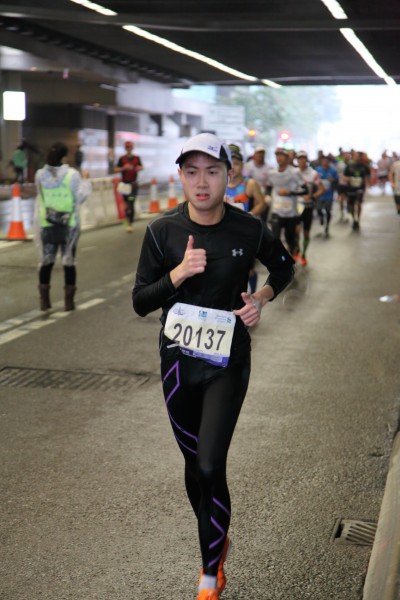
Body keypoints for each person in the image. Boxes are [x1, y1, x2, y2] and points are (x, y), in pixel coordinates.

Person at [132, 133, 295, 600]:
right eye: (192, 172)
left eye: (212, 172)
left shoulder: (248, 228)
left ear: (229, 175)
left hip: (228, 362)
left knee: (209, 464)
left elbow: (283, 267)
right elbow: (141, 301)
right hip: (177, 364)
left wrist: (260, 298)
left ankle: (209, 575)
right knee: (193, 466)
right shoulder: (161, 231)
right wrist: (178, 273)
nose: (201, 183)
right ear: (180, 177)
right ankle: (216, 540)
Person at [35, 141, 92, 312]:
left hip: (47, 224)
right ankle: (68, 303)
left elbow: (40, 197)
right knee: (68, 261)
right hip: (69, 225)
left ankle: (44, 301)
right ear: (64, 157)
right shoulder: (72, 175)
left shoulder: (40, 175)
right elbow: (79, 197)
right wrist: (86, 181)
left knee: (46, 261)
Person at [225, 143, 267, 292]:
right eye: (229, 164)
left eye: (236, 164)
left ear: (242, 165)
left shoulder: (249, 183)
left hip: (244, 234)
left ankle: (252, 296)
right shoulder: (219, 183)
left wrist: (249, 216)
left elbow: (262, 203)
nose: (232, 167)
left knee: (248, 270)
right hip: (223, 233)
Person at [268, 147, 308, 258]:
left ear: (287, 158)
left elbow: (305, 190)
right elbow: (269, 187)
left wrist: (290, 192)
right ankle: (280, 262)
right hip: (276, 211)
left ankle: (292, 255)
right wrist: (267, 196)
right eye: (277, 155)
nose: (279, 158)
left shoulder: (295, 172)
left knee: (290, 238)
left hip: (291, 213)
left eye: (282, 155)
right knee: (275, 238)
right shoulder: (272, 173)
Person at [296, 150, 324, 266]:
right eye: (299, 158)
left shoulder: (313, 174)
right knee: (296, 231)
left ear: (306, 160)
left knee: (306, 233)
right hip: (296, 207)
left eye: (303, 158)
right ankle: (296, 250)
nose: (301, 161)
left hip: (308, 207)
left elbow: (322, 189)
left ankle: (304, 254)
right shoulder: (293, 172)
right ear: (297, 160)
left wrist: (312, 196)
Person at [114, 141, 143, 232]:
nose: (129, 149)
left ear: (132, 148)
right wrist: (124, 168)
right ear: (125, 149)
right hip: (125, 185)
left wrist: (139, 168)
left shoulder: (137, 158)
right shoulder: (122, 159)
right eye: (127, 148)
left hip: (133, 185)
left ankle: (130, 223)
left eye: (130, 147)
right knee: (127, 204)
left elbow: (141, 167)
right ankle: (128, 220)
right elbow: (116, 169)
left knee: (131, 203)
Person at [243, 144, 271, 221]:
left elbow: (269, 183)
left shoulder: (269, 168)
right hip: (249, 191)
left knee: (267, 200)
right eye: (258, 153)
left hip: (263, 192)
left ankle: (263, 221)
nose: (260, 155)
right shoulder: (248, 166)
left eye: (262, 153)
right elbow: (244, 180)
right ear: (254, 154)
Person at [344, 151, 371, 230]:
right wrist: (349, 179)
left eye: (358, 156)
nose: (357, 157)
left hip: (360, 188)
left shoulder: (364, 166)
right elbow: (344, 176)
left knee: (359, 203)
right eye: (355, 156)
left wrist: (367, 183)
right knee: (352, 205)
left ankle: (358, 219)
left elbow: (368, 175)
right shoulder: (349, 166)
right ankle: (354, 219)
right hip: (351, 188)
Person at [315, 155, 338, 237]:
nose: (325, 163)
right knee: (318, 209)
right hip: (320, 194)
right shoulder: (317, 170)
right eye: (323, 161)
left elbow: (336, 181)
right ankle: (321, 217)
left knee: (328, 210)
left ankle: (327, 225)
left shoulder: (333, 171)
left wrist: (333, 180)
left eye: (326, 161)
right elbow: (314, 180)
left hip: (329, 194)